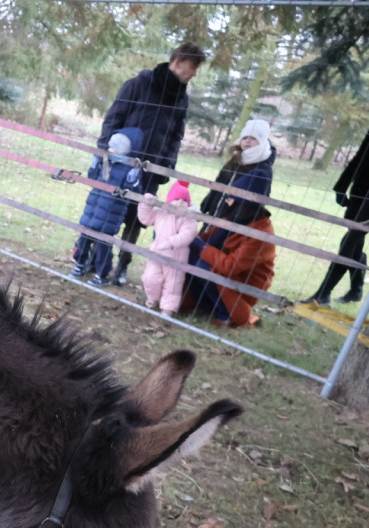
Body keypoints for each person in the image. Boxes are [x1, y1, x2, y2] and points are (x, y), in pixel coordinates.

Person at [97, 41, 206, 287]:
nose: (195, 73)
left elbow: (176, 135)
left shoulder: (181, 98)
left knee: (136, 219)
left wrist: (166, 167)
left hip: (150, 170)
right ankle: (97, 261)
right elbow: (113, 118)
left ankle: (122, 266)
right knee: (107, 212)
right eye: (192, 66)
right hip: (120, 165)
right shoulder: (138, 85)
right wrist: (106, 151)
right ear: (177, 62)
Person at [184, 119, 276, 328]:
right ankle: (202, 301)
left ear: (261, 142)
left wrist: (234, 201)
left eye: (253, 139)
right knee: (198, 255)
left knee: (210, 261)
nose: (248, 142)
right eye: (245, 137)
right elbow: (219, 184)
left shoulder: (263, 167)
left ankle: (226, 309)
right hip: (222, 213)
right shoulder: (235, 160)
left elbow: (254, 191)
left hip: (238, 214)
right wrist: (209, 204)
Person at [301, 128, 369, 305]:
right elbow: (361, 156)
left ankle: (322, 294)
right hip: (360, 193)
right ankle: (356, 290)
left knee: (350, 240)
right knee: (353, 241)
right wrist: (342, 185)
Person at [69, 127, 144, 286]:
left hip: (111, 214)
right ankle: (80, 264)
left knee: (104, 245)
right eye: (110, 146)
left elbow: (134, 193)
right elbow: (92, 178)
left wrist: (133, 180)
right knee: (84, 238)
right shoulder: (105, 161)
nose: (109, 150)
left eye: (114, 148)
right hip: (93, 209)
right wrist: (94, 165)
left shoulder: (130, 168)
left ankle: (102, 274)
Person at [138, 181, 199, 316]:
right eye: (177, 199)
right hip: (157, 254)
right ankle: (153, 299)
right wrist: (145, 203)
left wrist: (171, 243)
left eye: (184, 200)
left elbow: (187, 234)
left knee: (172, 285)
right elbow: (145, 219)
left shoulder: (189, 219)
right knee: (150, 277)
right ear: (170, 200)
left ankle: (167, 309)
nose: (180, 202)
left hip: (176, 258)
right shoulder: (161, 213)